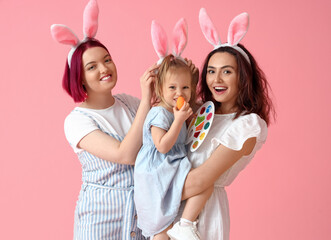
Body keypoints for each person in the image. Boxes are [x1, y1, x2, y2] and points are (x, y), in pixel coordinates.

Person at [51, 0, 156, 239]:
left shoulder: (129, 103)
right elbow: (124, 154)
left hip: (141, 213)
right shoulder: (77, 121)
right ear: (80, 78)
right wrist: (148, 97)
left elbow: (161, 129)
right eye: (92, 66)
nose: (104, 68)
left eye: (107, 59)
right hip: (100, 217)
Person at [167, 9, 275, 240]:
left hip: (202, 216)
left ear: (243, 77)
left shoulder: (247, 125)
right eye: (211, 72)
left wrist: (152, 191)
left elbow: (201, 179)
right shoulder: (201, 111)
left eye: (227, 72)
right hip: (170, 211)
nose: (216, 80)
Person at [134, 54, 213, 240]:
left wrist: (184, 116)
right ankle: (184, 225)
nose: (180, 93)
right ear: (160, 89)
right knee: (162, 229)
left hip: (171, 168)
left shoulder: (177, 110)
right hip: (156, 173)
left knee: (206, 184)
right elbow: (162, 146)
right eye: (172, 87)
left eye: (185, 87)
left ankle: (185, 224)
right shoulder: (159, 113)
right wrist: (178, 120)